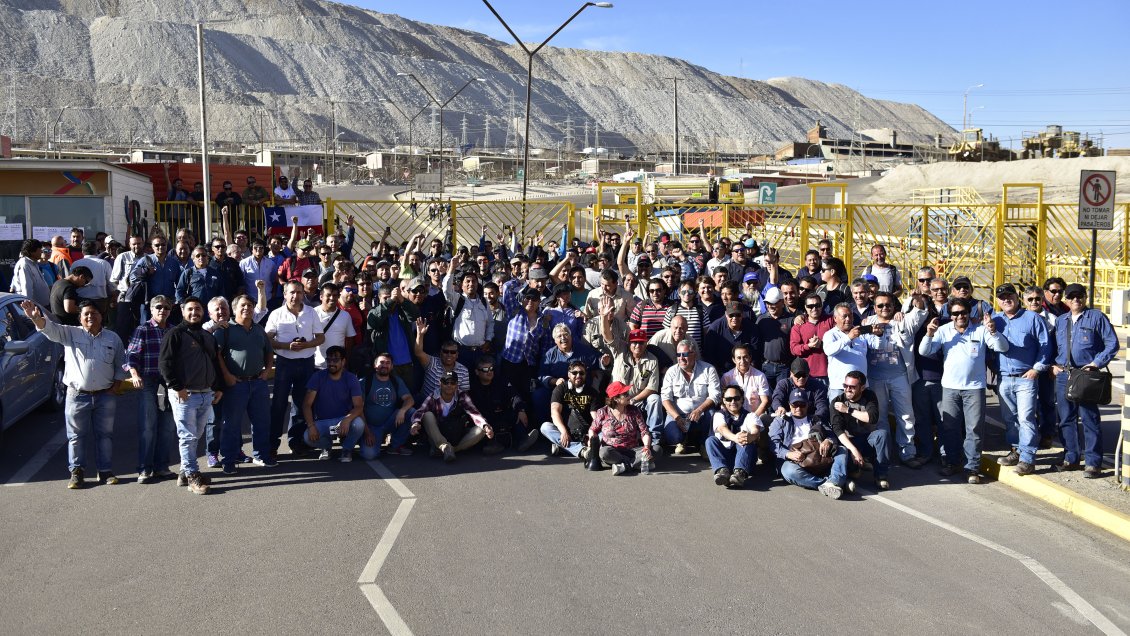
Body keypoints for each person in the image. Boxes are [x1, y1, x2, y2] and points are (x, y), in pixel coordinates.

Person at [21, 299, 126, 489]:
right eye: (86, 314)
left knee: (105, 435)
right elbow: (50, 329)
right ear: (80, 318)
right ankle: (77, 472)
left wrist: (116, 386)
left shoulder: (113, 338)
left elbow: (121, 364)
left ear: (101, 316)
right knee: (76, 436)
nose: (90, 316)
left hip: (105, 396)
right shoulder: (70, 333)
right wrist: (36, 319)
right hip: (77, 395)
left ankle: (105, 471)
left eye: (94, 313)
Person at [918, 297, 1008, 484]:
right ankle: (952, 463)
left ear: (969, 313)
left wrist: (993, 331)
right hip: (950, 388)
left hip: (974, 389)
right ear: (950, 315)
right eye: (955, 313)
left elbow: (1002, 347)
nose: (959, 316)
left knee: (974, 430)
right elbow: (924, 351)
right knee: (950, 428)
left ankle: (971, 468)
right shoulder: (943, 330)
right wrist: (929, 334)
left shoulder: (981, 330)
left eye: (963, 312)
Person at [1051, 283, 1119, 478]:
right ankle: (1071, 458)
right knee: (1065, 419)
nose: (1076, 300)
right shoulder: (1061, 320)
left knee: (1089, 419)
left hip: (1086, 375)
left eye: (1079, 296)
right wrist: (1053, 365)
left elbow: (1112, 343)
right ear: (1066, 299)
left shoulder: (1096, 317)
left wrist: (1096, 363)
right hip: (1064, 375)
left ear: (1085, 297)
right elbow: (1054, 346)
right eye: (1071, 296)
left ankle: (1092, 462)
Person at [159, 296, 224, 495]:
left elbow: (214, 363)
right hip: (184, 394)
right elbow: (165, 363)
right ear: (182, 311)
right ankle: (193, 476)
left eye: (197, 309)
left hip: (206, 393)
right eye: (190, 309)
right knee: (187, 436)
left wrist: (217, 387)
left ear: (203, 312)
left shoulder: (208, 336)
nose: (194, 313)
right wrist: (177, 387)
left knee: (195, 435)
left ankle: (184, 472)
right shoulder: (175, 334)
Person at [990, 284, 1051, 476]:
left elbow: (1045, 346)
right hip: (1004, 378)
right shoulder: (995, 320)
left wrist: (1036, 369)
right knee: (1010, 418)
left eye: (1010, 296)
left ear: (1017, 298)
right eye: (1002, 297)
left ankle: (1028, 459)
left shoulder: (1032, 318)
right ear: (997, 301)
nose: (1006, 300)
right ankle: (1016, 450)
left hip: (1026, 378)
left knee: (1026, 419)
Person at [862, 290, 929, 467]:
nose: (884, 308)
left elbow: (920, 312)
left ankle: (907, 453)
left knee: (906, 416)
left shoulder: (903, 320)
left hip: (900, 377)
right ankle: (882, 453)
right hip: (875, 378)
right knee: (879, 417)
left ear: (894, 306)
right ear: (874, 307)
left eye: (888, 305)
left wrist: (917, 298)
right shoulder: (867, 323)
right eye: (880, 305)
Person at [266, 280, 326, 457]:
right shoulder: (276, 314)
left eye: (299, 292)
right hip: (285, 362)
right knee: (279, 404)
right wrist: (287, 346)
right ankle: (272, 444)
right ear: (285, 294)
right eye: (292, 292)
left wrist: (307, 345)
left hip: (306, 363)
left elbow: (320, 338)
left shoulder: (311, 312)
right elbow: (267, 339)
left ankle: (296, 442)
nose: (295, 296)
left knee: (301, 405)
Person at [215, 294, 274, 470]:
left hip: (258, 383)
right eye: (243, 305)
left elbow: (269, 351)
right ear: (234, 309)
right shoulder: (225, 329)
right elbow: (216, 354)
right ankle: (228, 460)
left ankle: (262, 455)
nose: (247, 308)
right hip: (236, 384)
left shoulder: (259, 329)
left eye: (250, 305)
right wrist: (226, 375)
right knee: (231, 424)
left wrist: (267, 371)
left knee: (262, 421)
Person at [124, 295, 177, 483]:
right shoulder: (143, 329)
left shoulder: (174, 330)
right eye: (159, 307)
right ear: (152, 309)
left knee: (167, 426)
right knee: (148, 426)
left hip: (168, 382)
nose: (163, 310)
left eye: (166, 308)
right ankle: (145, 469)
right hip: (147, 381)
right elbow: (131, 354)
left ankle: (162, 467)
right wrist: (134, 374)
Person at [769, 388, 849, 499]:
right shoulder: (780, 421)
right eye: (795, 405)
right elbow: (773, 444)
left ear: (808, 405)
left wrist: (828, 440)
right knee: (788, 471)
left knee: (842, 450)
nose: (798, 408)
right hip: (794, 460)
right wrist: (788, 454)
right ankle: (830, 483)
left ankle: (834, 482)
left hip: (819, 456)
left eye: (802, 405)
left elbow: (831, 434)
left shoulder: (815, 419)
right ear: (789, 405)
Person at [410, 370, 493, 462]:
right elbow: (420, 411)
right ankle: (444, 446)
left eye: (452, 383)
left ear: (456, 385)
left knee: (481, 430)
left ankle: (448, 450)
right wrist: (415, 423)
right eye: (446, 382)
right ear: (440, 383)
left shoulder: (462, 395)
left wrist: (485, 426)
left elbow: (474, 413)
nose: (449, 385)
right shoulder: (433, 396)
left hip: (457, 434)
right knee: (427, 415)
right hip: (438, 434)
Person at [302, 346, 365, 462]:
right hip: (323, 422)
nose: (331, 363)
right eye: (329, 360)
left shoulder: (351, 378)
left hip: (343, 421)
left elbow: (358, 406)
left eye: (335, 360)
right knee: (307, 437)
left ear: (343, 361)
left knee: (359, 424)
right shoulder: (318, 377)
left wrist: (347, 419)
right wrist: (311, 426)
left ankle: (347, 449)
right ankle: (326, 446)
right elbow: (307, 405)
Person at [660, 339, 721, 455]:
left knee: (713, 414)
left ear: (694, 354)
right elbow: (665, 398)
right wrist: (677, 418)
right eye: (679, 354)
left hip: (702, 413)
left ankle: (704, 444)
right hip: (678, 414)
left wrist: (699, 410)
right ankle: (681, 440)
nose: (681, 358)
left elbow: (715, 395)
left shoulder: (709, 369)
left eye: (685, 354)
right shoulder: (671, 371)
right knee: (672, 437)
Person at [831, 370, 889, 490]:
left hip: (866, 439)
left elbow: (872, 418)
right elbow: (838, 430)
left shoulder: (869, 396)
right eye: (845, 386)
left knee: (882, 434)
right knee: (847, 463)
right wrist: (853, 450)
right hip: (848, 442)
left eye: (852, 387)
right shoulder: (837, 402)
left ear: (862, 388)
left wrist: (848, 410)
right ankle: (853, 472)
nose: (848, 389)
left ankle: (881, 476)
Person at [469, 355, 537, 454]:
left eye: (491, 369)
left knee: (517, 413)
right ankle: (491, 445)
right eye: (485, 369)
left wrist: (521, 410)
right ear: (477, 372)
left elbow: (514, 395)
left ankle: (523, 440)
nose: (489, 372)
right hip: (485, 419)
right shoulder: (473, 387)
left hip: (501, 414)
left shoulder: (501, 381)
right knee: (479, 425)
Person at [537, 360, 603, 459]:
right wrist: (563, 431)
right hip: (565, 432)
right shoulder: (560, 389)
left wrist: (592, 433)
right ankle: (582, 450)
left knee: (604, 433)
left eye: (581, 373)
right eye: (574, 373)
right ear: (569, 374)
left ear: (585, 375)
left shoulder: (592, 392)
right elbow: (555, 412)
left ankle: (564, 448)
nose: (578, 376)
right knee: (545, 427)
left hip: (586, 432)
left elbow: (595, 417)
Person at [587, 381, 652, 475]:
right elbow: (592, 429)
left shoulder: (634, 410)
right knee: (604, 453)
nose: (629, 395)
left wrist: (646, 447)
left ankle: (623, 466)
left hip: (632, 450)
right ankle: (636, 463)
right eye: (625, 394)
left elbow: (644, 431)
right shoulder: (603, 412)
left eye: (628, 393)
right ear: (615, 399)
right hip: (612, 451)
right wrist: (592, 439)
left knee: (657, 450)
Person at [360, 353, 416, 459]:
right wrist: (367, 432)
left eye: (388, 363)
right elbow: (358, 409)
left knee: (410, 411)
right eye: (381, 362)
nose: (384, 365)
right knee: (369, 455)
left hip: (391, 421)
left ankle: (395, 445)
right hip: (372, 426)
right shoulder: (365, 382)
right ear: (375, 365)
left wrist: (402, 410)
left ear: (392, 366)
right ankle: (371, 439)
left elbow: (409, 399)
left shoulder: (396, 381)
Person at [823, 303, 882, 402]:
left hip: (861, 386)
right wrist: (848, 337)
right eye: (844, 316)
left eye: (850, 315)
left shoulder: (860, 332)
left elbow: (876, 346)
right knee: (838, 412)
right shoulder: (830, 334)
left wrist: (878, 335)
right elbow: (829, 350)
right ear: (835, 318)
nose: (848, 319)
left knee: (863, 412)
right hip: (839, 387)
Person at [444, 254, 494, 369]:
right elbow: (446, 290)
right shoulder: (457, 300)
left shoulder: (483, 302)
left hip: (480, 352)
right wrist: (451, 269)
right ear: (462, 285)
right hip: (461, 352)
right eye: (468, 281)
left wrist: (488, 340)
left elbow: (490, 323)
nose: (471, 284)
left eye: (474, 281)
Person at [705, 384, 761, 488]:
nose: (733, 402)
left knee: (746, 440)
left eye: (737, 398)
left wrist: (750, 437)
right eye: (729, 399)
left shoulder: (751, 415)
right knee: (710, 440)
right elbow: (722, 428)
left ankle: (739, 474)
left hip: (746, 459)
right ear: (724, 401)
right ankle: (722, 471)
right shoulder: (718, 415)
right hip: (726, 458)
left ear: (742, 399)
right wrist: (735, 438)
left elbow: (756, 431)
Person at [413, 319, 470, 401]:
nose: (449, 354)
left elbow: (463, 395)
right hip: (426, 404)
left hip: (449, 406)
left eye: (453, 352)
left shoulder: (463, 370)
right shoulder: (432, 362)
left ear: (457, 355)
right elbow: (418, 353)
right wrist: (420, 335)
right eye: (446, 351)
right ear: (440, 353)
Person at [703, 302, 759, 373]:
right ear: (726, 314)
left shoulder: (751, 328)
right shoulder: (715, 328)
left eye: (738, 315)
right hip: (721, 371)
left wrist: (749, 373)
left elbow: (755, 353)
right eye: (731, 315)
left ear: (742, 314)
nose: (734, 318)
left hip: (746, 370)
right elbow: (709, 355)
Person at [789, 293, 833, 380]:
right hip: (806, 375)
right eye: (810, 306)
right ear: (805, 307)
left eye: (817, 305)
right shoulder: (798, 325)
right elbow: (794, 350)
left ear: (822, 305)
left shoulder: (831, 320)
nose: (814, 309)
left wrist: (822, 344)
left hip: (829, 373)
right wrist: (808, 346)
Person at [313, 282, 356, 369]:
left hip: (337, 366)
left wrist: (345, 360)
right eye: (328, 295)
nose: (332, 298)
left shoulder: (345, 316)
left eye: (335, 295)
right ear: (321, 296)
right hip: (316, 365)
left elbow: (350, 340)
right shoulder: (312, 313)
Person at [71, 240, 112, 317]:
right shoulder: (104, 263)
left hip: (81, 298)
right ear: (96, 251)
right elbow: (111, 282)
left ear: (82, 251)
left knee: (83, 321)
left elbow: (71, 281)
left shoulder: (75, 264)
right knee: (100, 321)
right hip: (100, 300)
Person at [10, 239, 50, 307]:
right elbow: (26, 287)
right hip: (34, 307)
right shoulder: (24, 264)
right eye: (39, 249)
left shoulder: (33, 263)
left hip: (41, 306)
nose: (41, 251)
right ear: (32, 251)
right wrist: (29, 307)